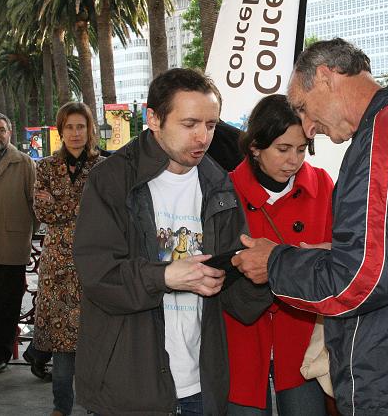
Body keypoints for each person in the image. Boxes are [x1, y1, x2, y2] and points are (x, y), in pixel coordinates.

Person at [232, 38, 388, 416]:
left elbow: (365, 278)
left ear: (326, 77)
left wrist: (275, 263)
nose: (308, 129)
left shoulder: (386, 135)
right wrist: (327, 252)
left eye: (302, 107)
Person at [72, 68, 272, 416]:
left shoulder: (219, 185)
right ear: (153, 119)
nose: (202, 137)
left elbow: (238, 301)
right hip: (129, 388)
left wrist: (263, 272)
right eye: (190, 123)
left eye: (210, 125)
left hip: (200, 386)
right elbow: (98, 275)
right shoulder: (112, 179)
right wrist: (165, 276)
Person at [224, 94, 333, 415]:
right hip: (242, 332)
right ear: (255, 147)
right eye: (283, 149)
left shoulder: (324, 186)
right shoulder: (224, 191)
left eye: (301, 149)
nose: (293, 160)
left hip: (303, 336)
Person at [31, 102, 104, 416]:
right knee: (62, 348)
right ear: (60, 130)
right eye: (69, 127)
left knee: (95, 340)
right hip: (56, 267)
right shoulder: (45, 166)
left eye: (81, 126)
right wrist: (78, 207)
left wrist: (60, 202)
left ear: (89, 130)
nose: (75, 133)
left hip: (94, 263)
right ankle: (61, 408)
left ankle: (94, 406)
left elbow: (105, 213)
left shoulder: (103, 167)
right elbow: (42, 211)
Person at [0, 112, 37, 374]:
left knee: (6, 302)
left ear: (9, 134)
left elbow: (36, 208)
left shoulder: (23, 163)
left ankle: (0, 355)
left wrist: (20, 233)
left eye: (1, 130)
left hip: (7, 243)